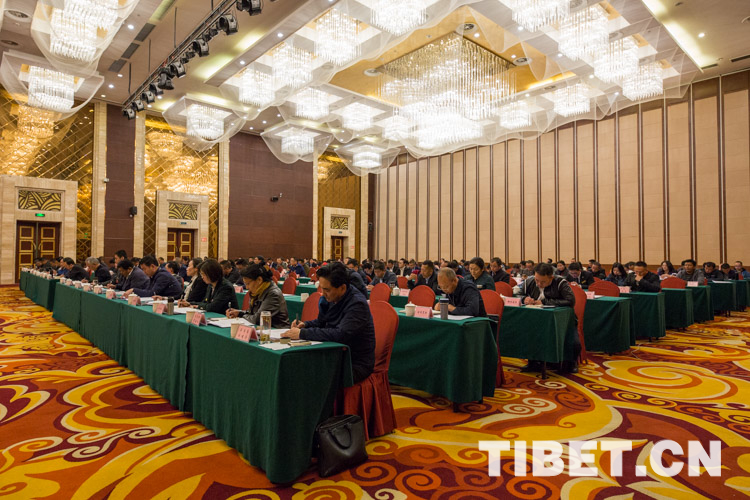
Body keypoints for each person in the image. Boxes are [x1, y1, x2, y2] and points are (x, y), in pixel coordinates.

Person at [282, 262, 375, 383]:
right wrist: (305, 325)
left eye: (326, 289)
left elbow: (341, 334)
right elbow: (322, 322)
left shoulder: (357, 304)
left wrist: (302, 333)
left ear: (342, 288)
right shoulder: (331, 297)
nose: (323, 293)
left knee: (307, 371)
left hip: (354, 362)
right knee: (296, 365)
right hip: (333, 354)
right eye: (321, 288)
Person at [520, 263, 579, 374]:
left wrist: (544, 302)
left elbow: (570, 301)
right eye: (537, 280)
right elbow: (517, 294)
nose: (539, 284)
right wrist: (524, 299)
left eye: (543, 282)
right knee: (527, 331)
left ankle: (570, 362)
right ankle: (534, 361)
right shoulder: (530, 282)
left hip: (561, 320)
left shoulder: (560, 282)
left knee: (571, 339)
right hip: (536, 319)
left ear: (551, 277)